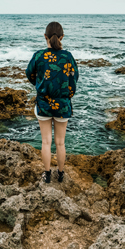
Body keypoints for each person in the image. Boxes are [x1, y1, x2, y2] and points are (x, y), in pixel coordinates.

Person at [25, 22, 79, 184]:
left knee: (46, 142)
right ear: (62, 37)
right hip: (62, 105)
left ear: (45, 37)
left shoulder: (38, 55)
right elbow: (73, 78)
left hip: (43, 104)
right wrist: (67, 96)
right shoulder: (68, 56)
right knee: (60, 143)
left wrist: (41, 86)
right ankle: (61, 175)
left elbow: (30, 74)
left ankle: (47, 175)